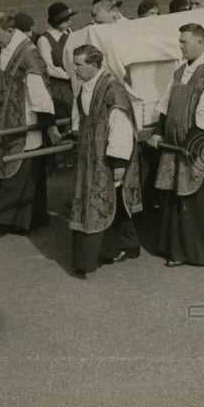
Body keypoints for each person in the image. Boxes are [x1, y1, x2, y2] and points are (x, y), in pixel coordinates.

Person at [149, 23, 204, 266]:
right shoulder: (181, 72)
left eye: (185, 43)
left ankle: (194, 252)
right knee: (176, 201)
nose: (181, 47)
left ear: (201, 43)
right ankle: (176, 248)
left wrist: (191, 146)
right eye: (180, 42)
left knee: (195, 203)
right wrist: (159, 132)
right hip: (177, 148)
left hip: (199, 148)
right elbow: (166, 105)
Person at [0, 12, 60, 238]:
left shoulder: (28, 55)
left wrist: (49, 125)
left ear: (11, 31)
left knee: (17, 174)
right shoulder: (0, 48)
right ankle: (28, 218)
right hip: (4, 122)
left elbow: (40, 92)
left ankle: (0, 222)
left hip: (25, 123)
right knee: (6, 169)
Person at [67, 45, 143, 277]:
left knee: (102, 201)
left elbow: (120, 126)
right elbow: (79, 114)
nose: (75, 69)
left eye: (79, 64)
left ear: (94, 64)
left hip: (107, 157)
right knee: (108, 201)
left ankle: (90, 259)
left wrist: (119, 164)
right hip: (89, 155)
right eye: (75, 64)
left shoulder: (112, 90)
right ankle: (123, 245)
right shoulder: (84, 87)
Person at [37, 2, 76, 122]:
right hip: (59, 88)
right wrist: (68, 75)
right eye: (65, 19)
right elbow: (48, 67)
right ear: (56, 21)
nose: (69, 22)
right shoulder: (44, 40)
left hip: (74, 83)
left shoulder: (70, 33)